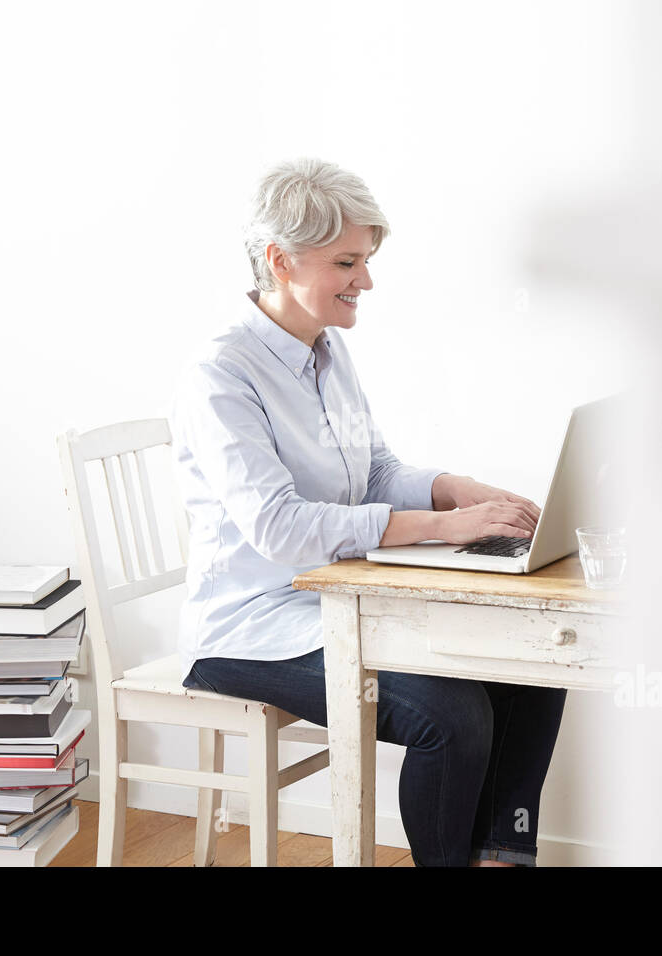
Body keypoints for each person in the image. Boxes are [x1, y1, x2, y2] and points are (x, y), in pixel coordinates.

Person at [170, 157, 567, 866]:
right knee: (452, 716)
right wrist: (445, 529)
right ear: (280, 260)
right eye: (347, 262)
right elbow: (282, 526)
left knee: (527, 671)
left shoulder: (327, 350)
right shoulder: (221, 375)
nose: (367, 281)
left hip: (340, 601)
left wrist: (456, 488)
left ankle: (502, 857)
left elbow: (374, 469)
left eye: (367, 259)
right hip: (252, 626)